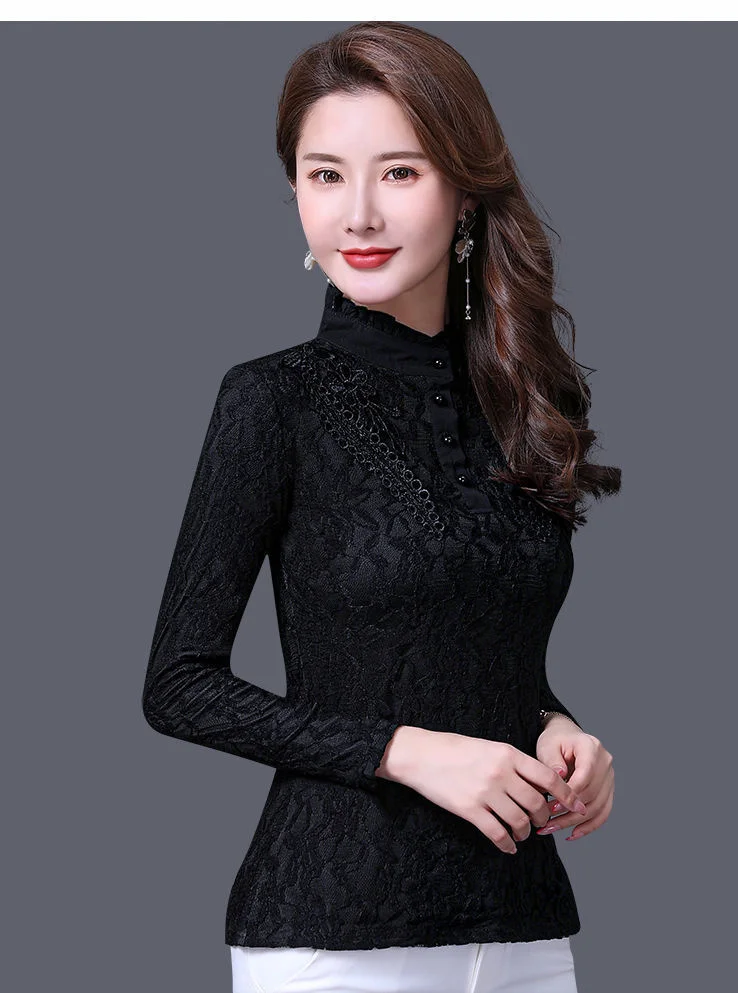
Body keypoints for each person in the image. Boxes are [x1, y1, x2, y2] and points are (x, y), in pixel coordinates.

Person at [142, 21, 619, 993]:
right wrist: (403, 753)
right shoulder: (273, 400)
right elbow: (179, 684)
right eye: (325, 176)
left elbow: (460, 643)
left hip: (522, 931)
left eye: (399, 172)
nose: (357, 214)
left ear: (465, 190)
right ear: (294, 191)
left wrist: (555, 725)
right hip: (336, 934)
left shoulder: (522, 401)